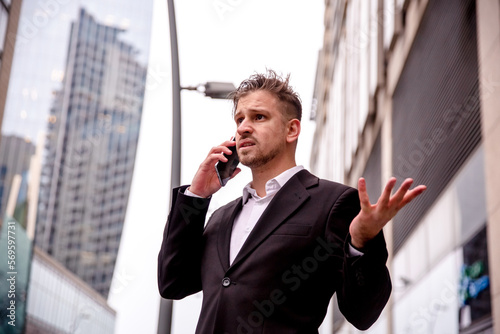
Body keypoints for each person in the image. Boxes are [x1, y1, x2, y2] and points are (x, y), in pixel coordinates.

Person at [158, 70, 426, 334]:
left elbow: (363, 313)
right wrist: (195, 197)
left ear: (291, 130)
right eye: (239, 119)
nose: (243, 128)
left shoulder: (333, 203)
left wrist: (361, 242)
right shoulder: (221, 218)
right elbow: (173, 282)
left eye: (258, 117)